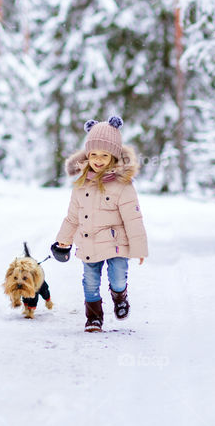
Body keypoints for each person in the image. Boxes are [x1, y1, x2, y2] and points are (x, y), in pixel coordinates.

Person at [53, 116, 148, 332]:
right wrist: (63, 241)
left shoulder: (122, 185)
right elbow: (72, 218)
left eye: (104, 155)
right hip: (89, 242)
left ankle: (120, 295)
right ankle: (94, 318)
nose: (98, 159)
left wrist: (139, 248)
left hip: (117, 244)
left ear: (113, 156)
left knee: (117, 277)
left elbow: (133, 218)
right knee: (90, 282)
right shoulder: (80, 185)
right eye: (93, 154)